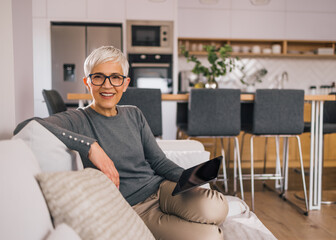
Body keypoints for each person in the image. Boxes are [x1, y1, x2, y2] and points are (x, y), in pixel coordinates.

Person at [14, 46, 228, 240]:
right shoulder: (77, 119)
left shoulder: (134, 114)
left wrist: (190, 177)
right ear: (87, 82)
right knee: (209, 237)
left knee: (217, 207)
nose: (107, 86)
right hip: (134, 209)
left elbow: (158, 162)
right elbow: (28, 124)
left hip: (162, 189)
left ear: (125, 83)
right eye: (98, 77)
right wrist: (90, 146)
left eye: (115, 77)